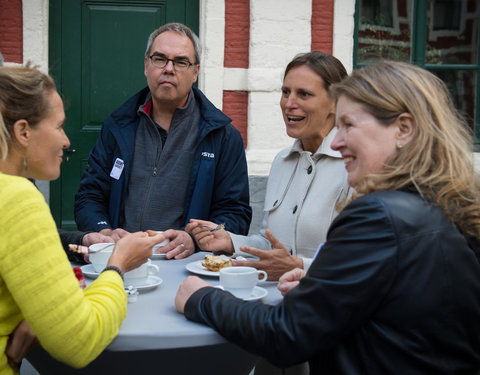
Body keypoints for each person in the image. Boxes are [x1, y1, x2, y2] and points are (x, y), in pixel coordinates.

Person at [175, 61, 480, 374]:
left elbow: (286, 334)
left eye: (349, 125)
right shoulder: (447, 204)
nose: (336, 141)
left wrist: (201, 298)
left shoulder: (378, 213)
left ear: (403, 129)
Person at [0, 64, 166, 373]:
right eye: (59, 126)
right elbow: (80, 340)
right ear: (23, 131)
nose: (66, 141)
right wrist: (118, 265)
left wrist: (39, 312)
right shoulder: (17, 196)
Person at [74, 22, 251, 259]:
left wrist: (194, 240)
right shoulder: (117, 127)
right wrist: (104, 231)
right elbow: (90, 195)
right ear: (146, 65)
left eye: (180, 62)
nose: (168, 68)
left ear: (195, 72)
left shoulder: (222, 137)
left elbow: (235, 215)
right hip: (120, 260)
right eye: (159, 59)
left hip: (187, 266)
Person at [188, 52, 352, 281]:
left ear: (336, 102)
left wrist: (298, 267)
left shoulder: (354, 167)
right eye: (286, 92)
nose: (289, 104)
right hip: (275, 297)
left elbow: (360, 261)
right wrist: (230, 241)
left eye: (303, 94)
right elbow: (269, 243)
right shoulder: (282, 162)